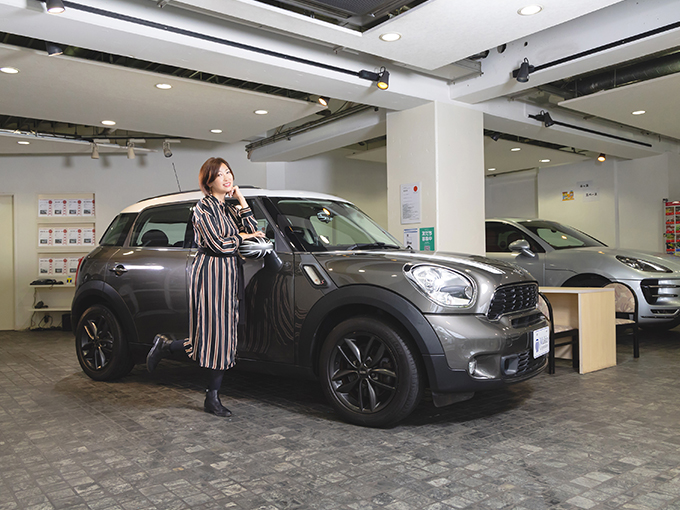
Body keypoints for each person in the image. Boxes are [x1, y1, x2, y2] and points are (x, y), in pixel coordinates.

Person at [146, 157, 265, 417]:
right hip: (210, 273)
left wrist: (242, 200)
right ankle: (212, 397)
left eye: (228, 172)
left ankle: (166, 347)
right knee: (216, 335)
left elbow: (255, 231)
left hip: (229, 274)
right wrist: (242, 237)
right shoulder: (203, 208)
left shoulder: (229, 209)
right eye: (220, 174)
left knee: (220, 335)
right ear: (208, 182)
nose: (227, 177)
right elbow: (218, 245)